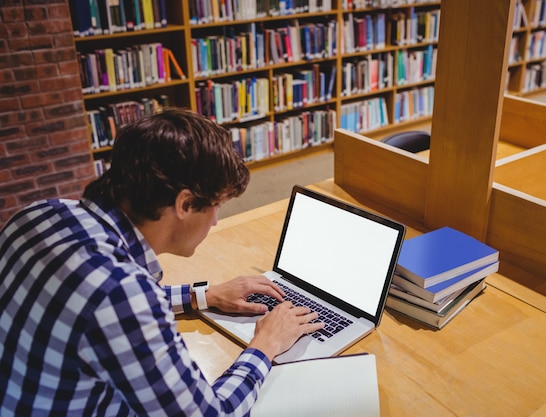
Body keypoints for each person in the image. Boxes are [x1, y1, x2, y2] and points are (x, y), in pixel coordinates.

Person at [0, 108, 324, 416]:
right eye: (217, 205)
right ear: (184, 203)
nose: (214, 221)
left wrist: (205, 296)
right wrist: (266, 344)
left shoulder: (39, 214)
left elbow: (96, 307)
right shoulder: (121, 294)